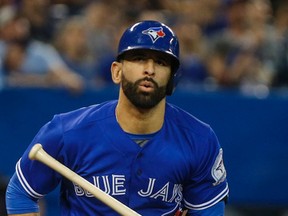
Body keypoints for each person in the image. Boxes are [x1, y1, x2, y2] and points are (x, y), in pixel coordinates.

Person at [5, 20, 229, 216]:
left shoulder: (199, 139)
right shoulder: (68, 131)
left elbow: (207, 210)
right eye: (139, 59)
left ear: (172, 78)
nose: (149, 69)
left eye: (161, 62)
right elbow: (20, 193)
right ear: (116, 71)